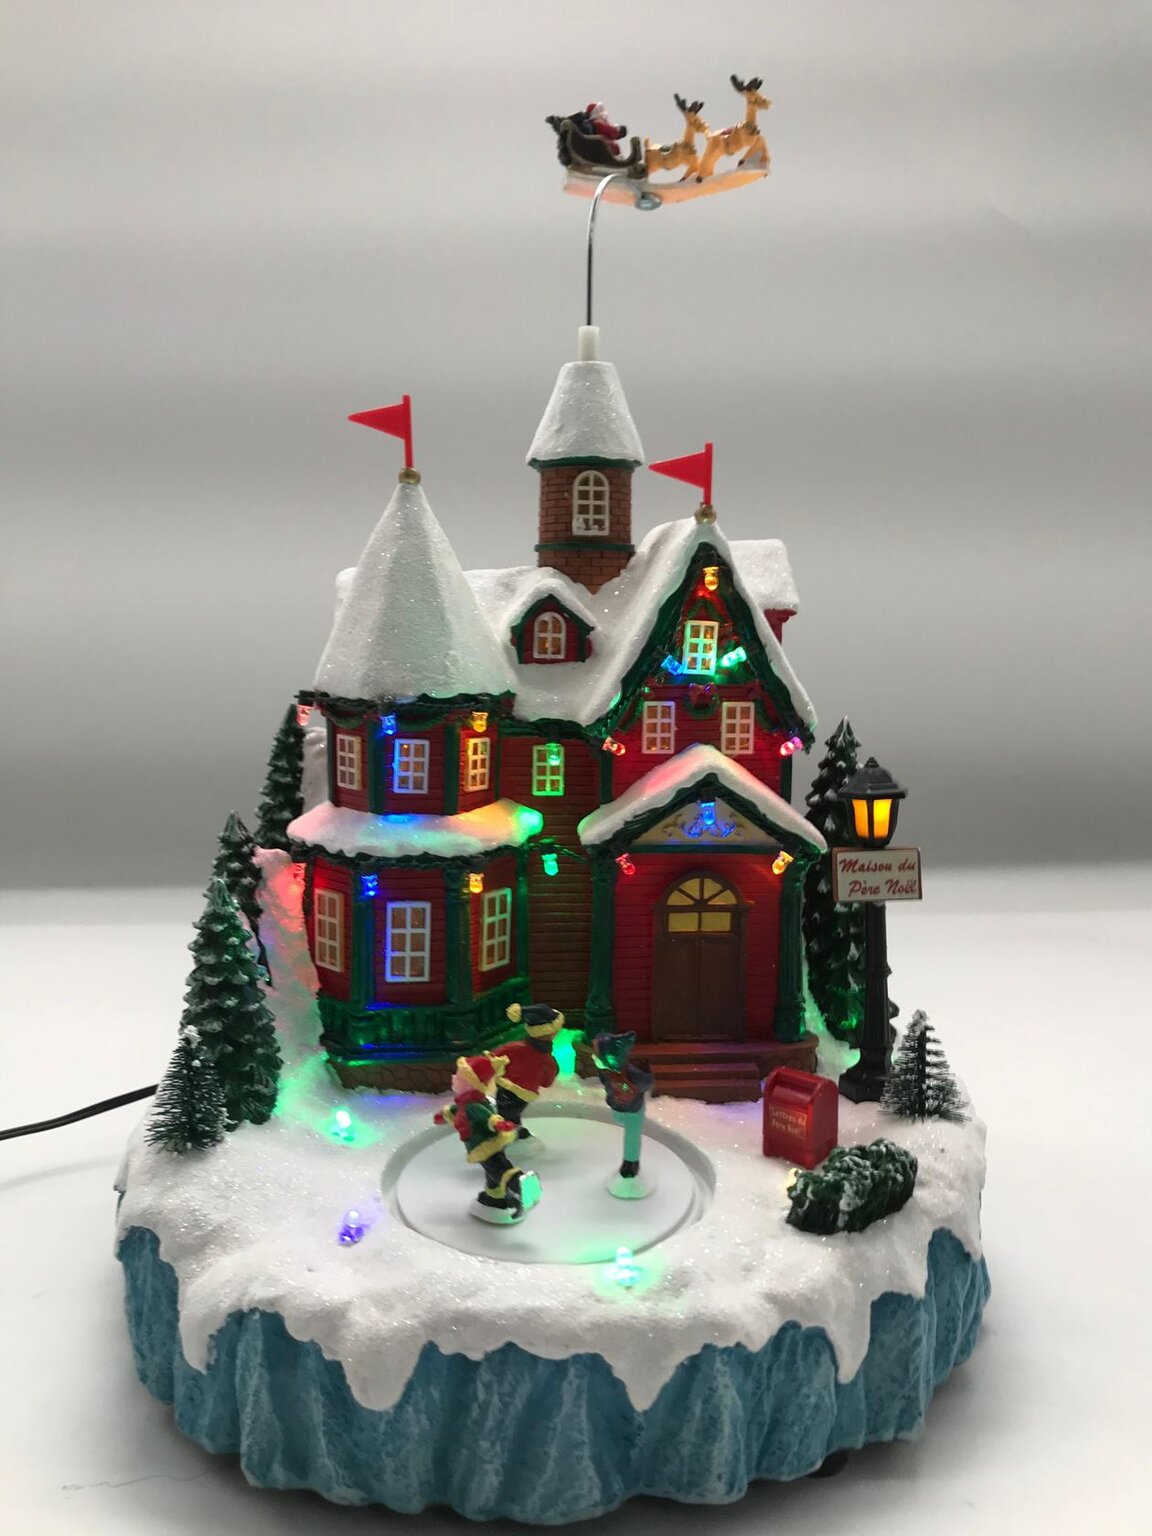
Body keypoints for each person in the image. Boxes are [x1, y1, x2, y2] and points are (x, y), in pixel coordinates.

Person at [433, 1053, 539, 1224]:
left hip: (484, 1145)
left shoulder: (473, 1105)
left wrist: (499, 1124)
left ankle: (517, 1183)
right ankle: (494, 1197)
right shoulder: (467, 1103)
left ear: (470, 1083)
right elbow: (453, 1112)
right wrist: (443, 1115)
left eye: (458, 1077)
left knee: (497, 1169)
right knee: (492, 1175)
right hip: (488, 1143)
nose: (454, 1079)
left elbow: (488, 1117)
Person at [488, 1002, 564, 1153]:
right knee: (508, 1115)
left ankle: (512, 1131)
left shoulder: (514, 1048)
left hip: (505, 1089)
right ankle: (503, 1139)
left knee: (508, 1114)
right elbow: (547, 1082)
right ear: (551, 1033)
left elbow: (492, 1058)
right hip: (524, 1094)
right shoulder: (548, 1061)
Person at [592, 1031, 655, 1199]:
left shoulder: (628, 1074)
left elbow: (646, 1082)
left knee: (632, 1134)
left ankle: (631, 1163)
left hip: (632, 1108)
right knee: (624, 1126)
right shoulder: (605, 1070)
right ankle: (630, 1162)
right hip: (620, 1106)